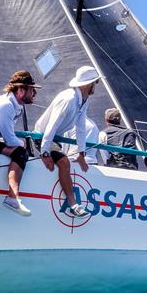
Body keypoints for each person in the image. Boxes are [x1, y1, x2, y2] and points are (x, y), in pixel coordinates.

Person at [33, 65, 101, 217]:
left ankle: (73, 204)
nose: (96, 86)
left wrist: (81, 153)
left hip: (55, 139)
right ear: (87, 84)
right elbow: (52, 125)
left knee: (65, 162)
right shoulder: (68, 99)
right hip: (42, 136)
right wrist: (45, 152)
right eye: (95, 82)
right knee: (64, 162)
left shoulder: (84, 100)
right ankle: (74, 205)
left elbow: (81, 127)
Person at [0, 70, 40, 217]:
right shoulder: (5, 105)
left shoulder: (16, 104)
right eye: (32, 89)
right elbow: (10, 139)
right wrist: (23, 143)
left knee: (20, 153)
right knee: (19, 152)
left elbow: (8, 137)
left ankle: (12, 197)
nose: (34, 93)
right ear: (21, 90)